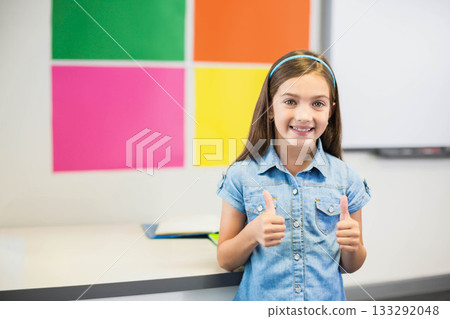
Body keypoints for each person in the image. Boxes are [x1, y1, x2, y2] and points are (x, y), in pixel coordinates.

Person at [216, 50, 371, 301]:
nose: (303, 115)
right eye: (290, 101)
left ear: (330, 112)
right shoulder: (241, 175)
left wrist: (353, 245)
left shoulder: (346, 179)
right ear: (270, 108)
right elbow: (225, 259)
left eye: (317, 103)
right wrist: (252, 233)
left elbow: (351, 265)